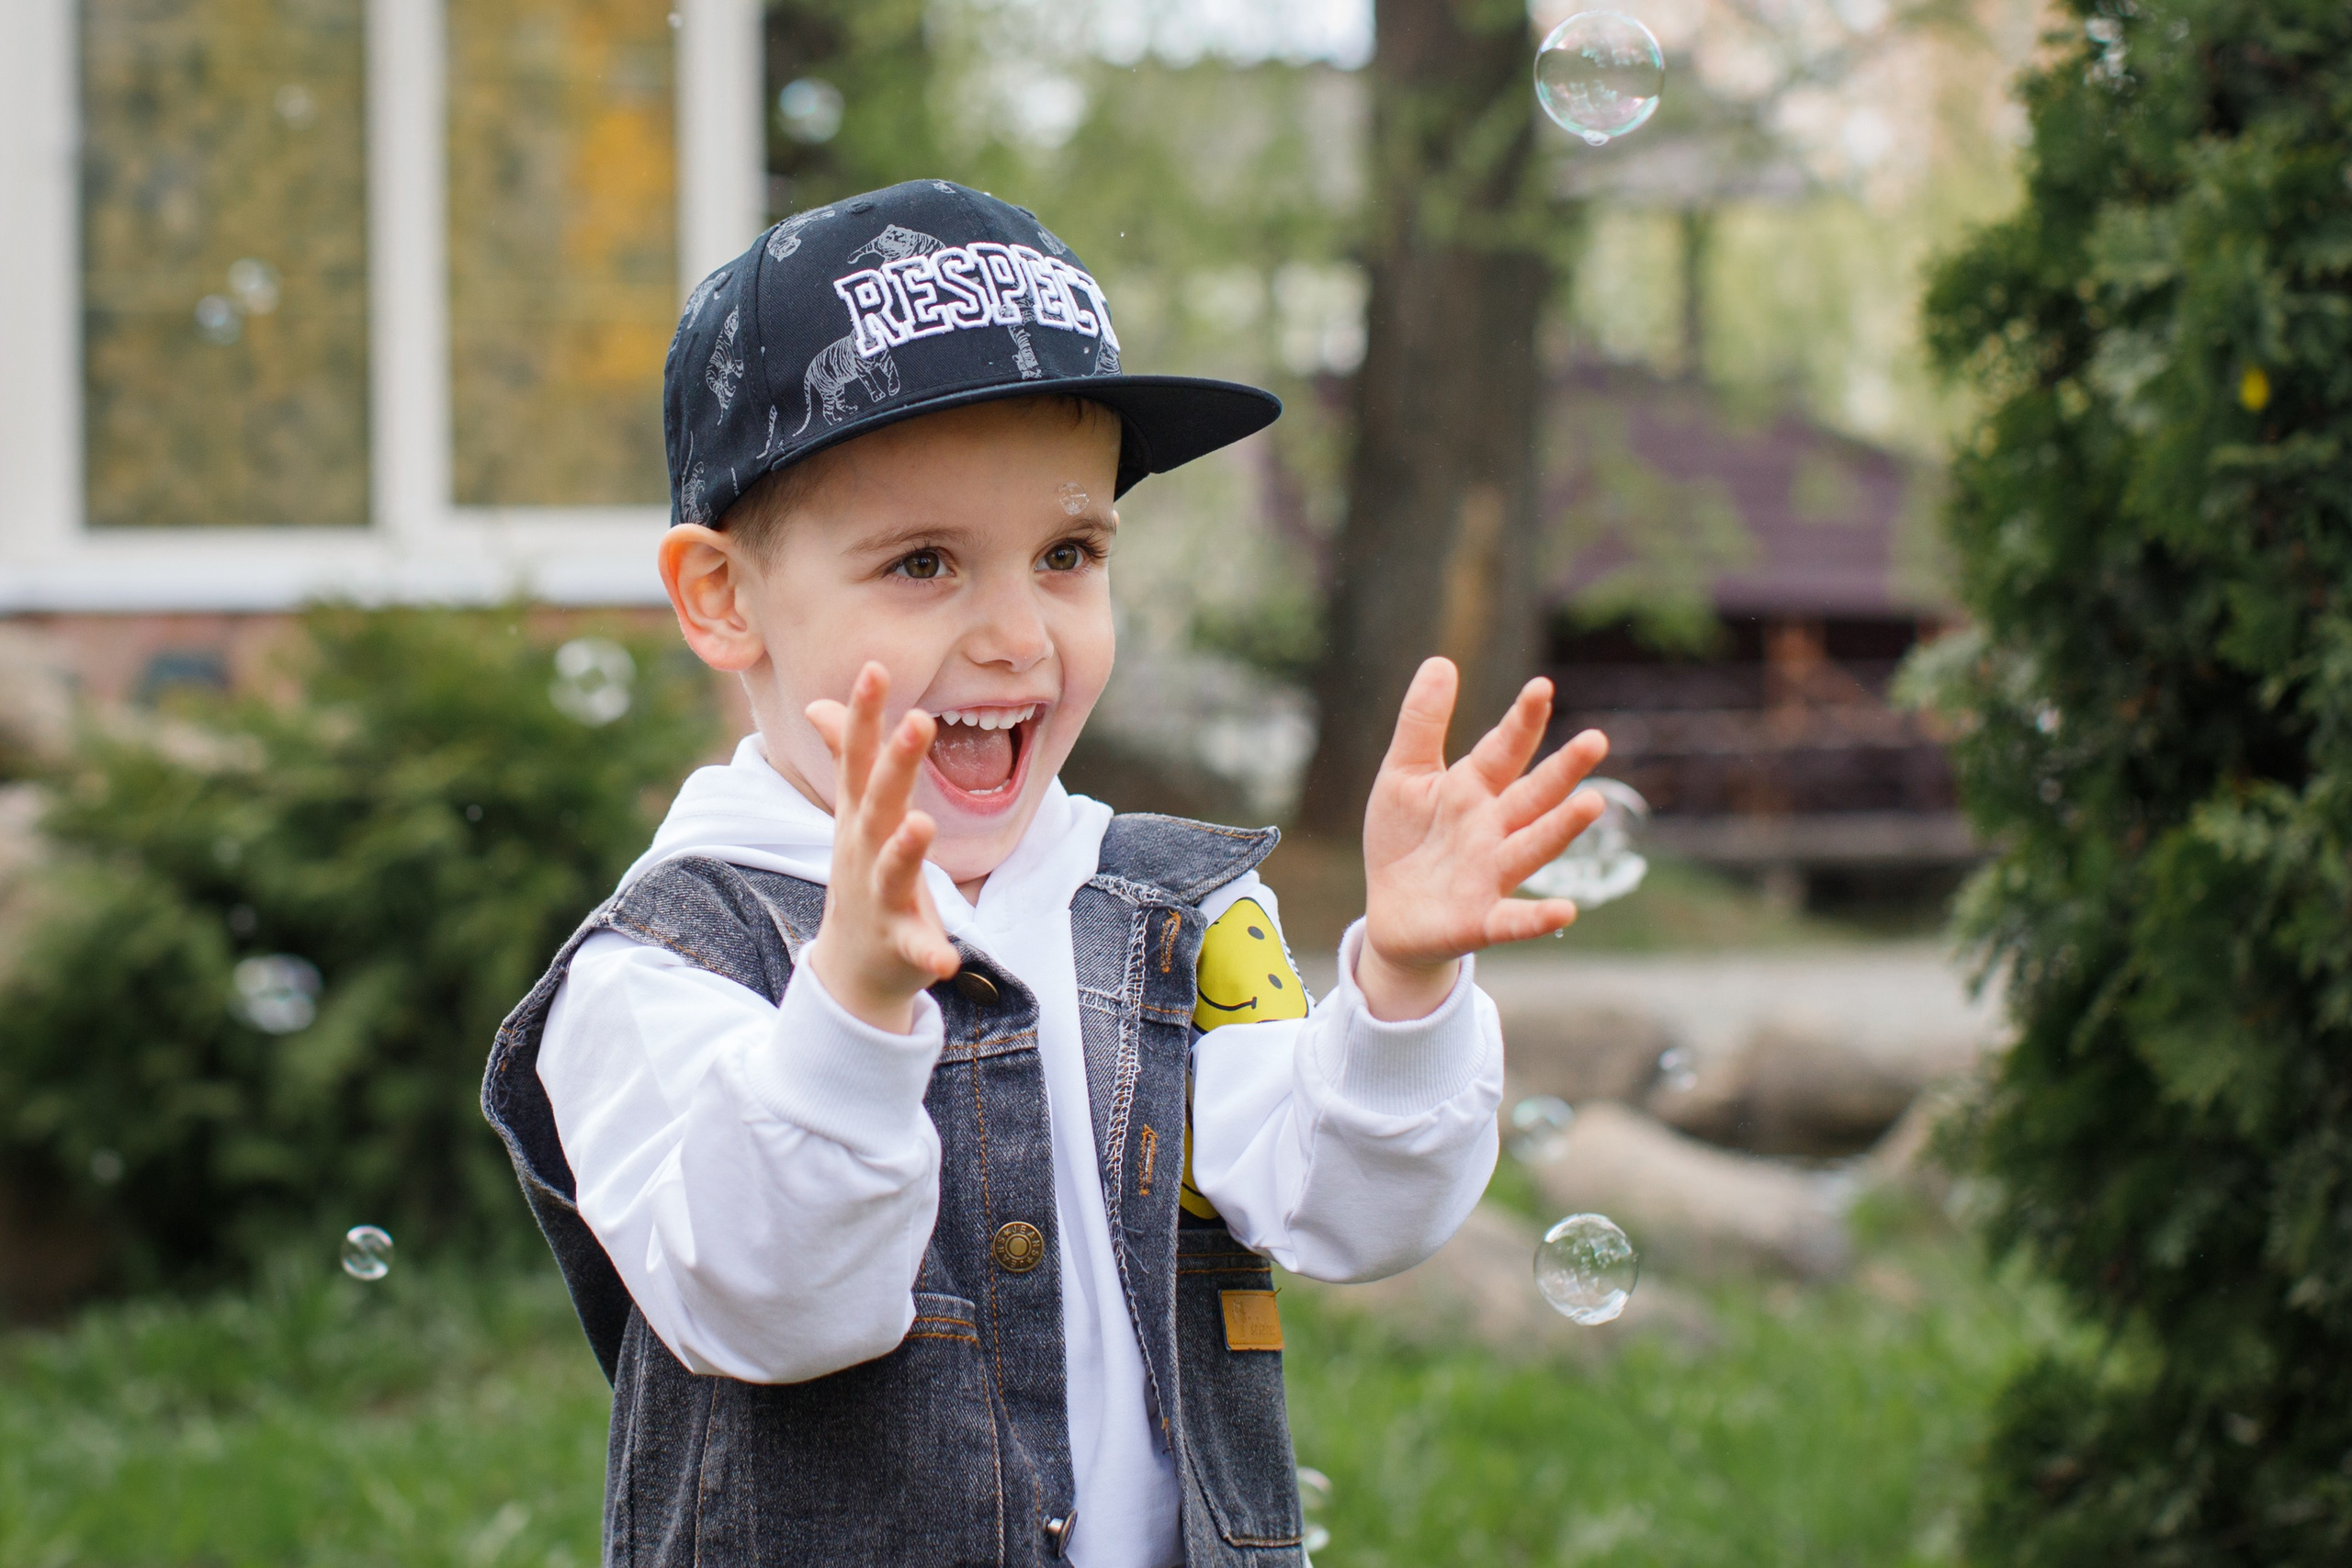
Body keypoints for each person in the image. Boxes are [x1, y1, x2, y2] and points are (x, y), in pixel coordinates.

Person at [483, 180, 1609, 1568]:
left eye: (1068, 553)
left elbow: (1349, 1209)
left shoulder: (1170, 917)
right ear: (723, 597)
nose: (1019, 634)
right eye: (923, 562)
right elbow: (770, 1303)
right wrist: (845, 1010)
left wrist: (1404, 992)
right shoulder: (667, 962)